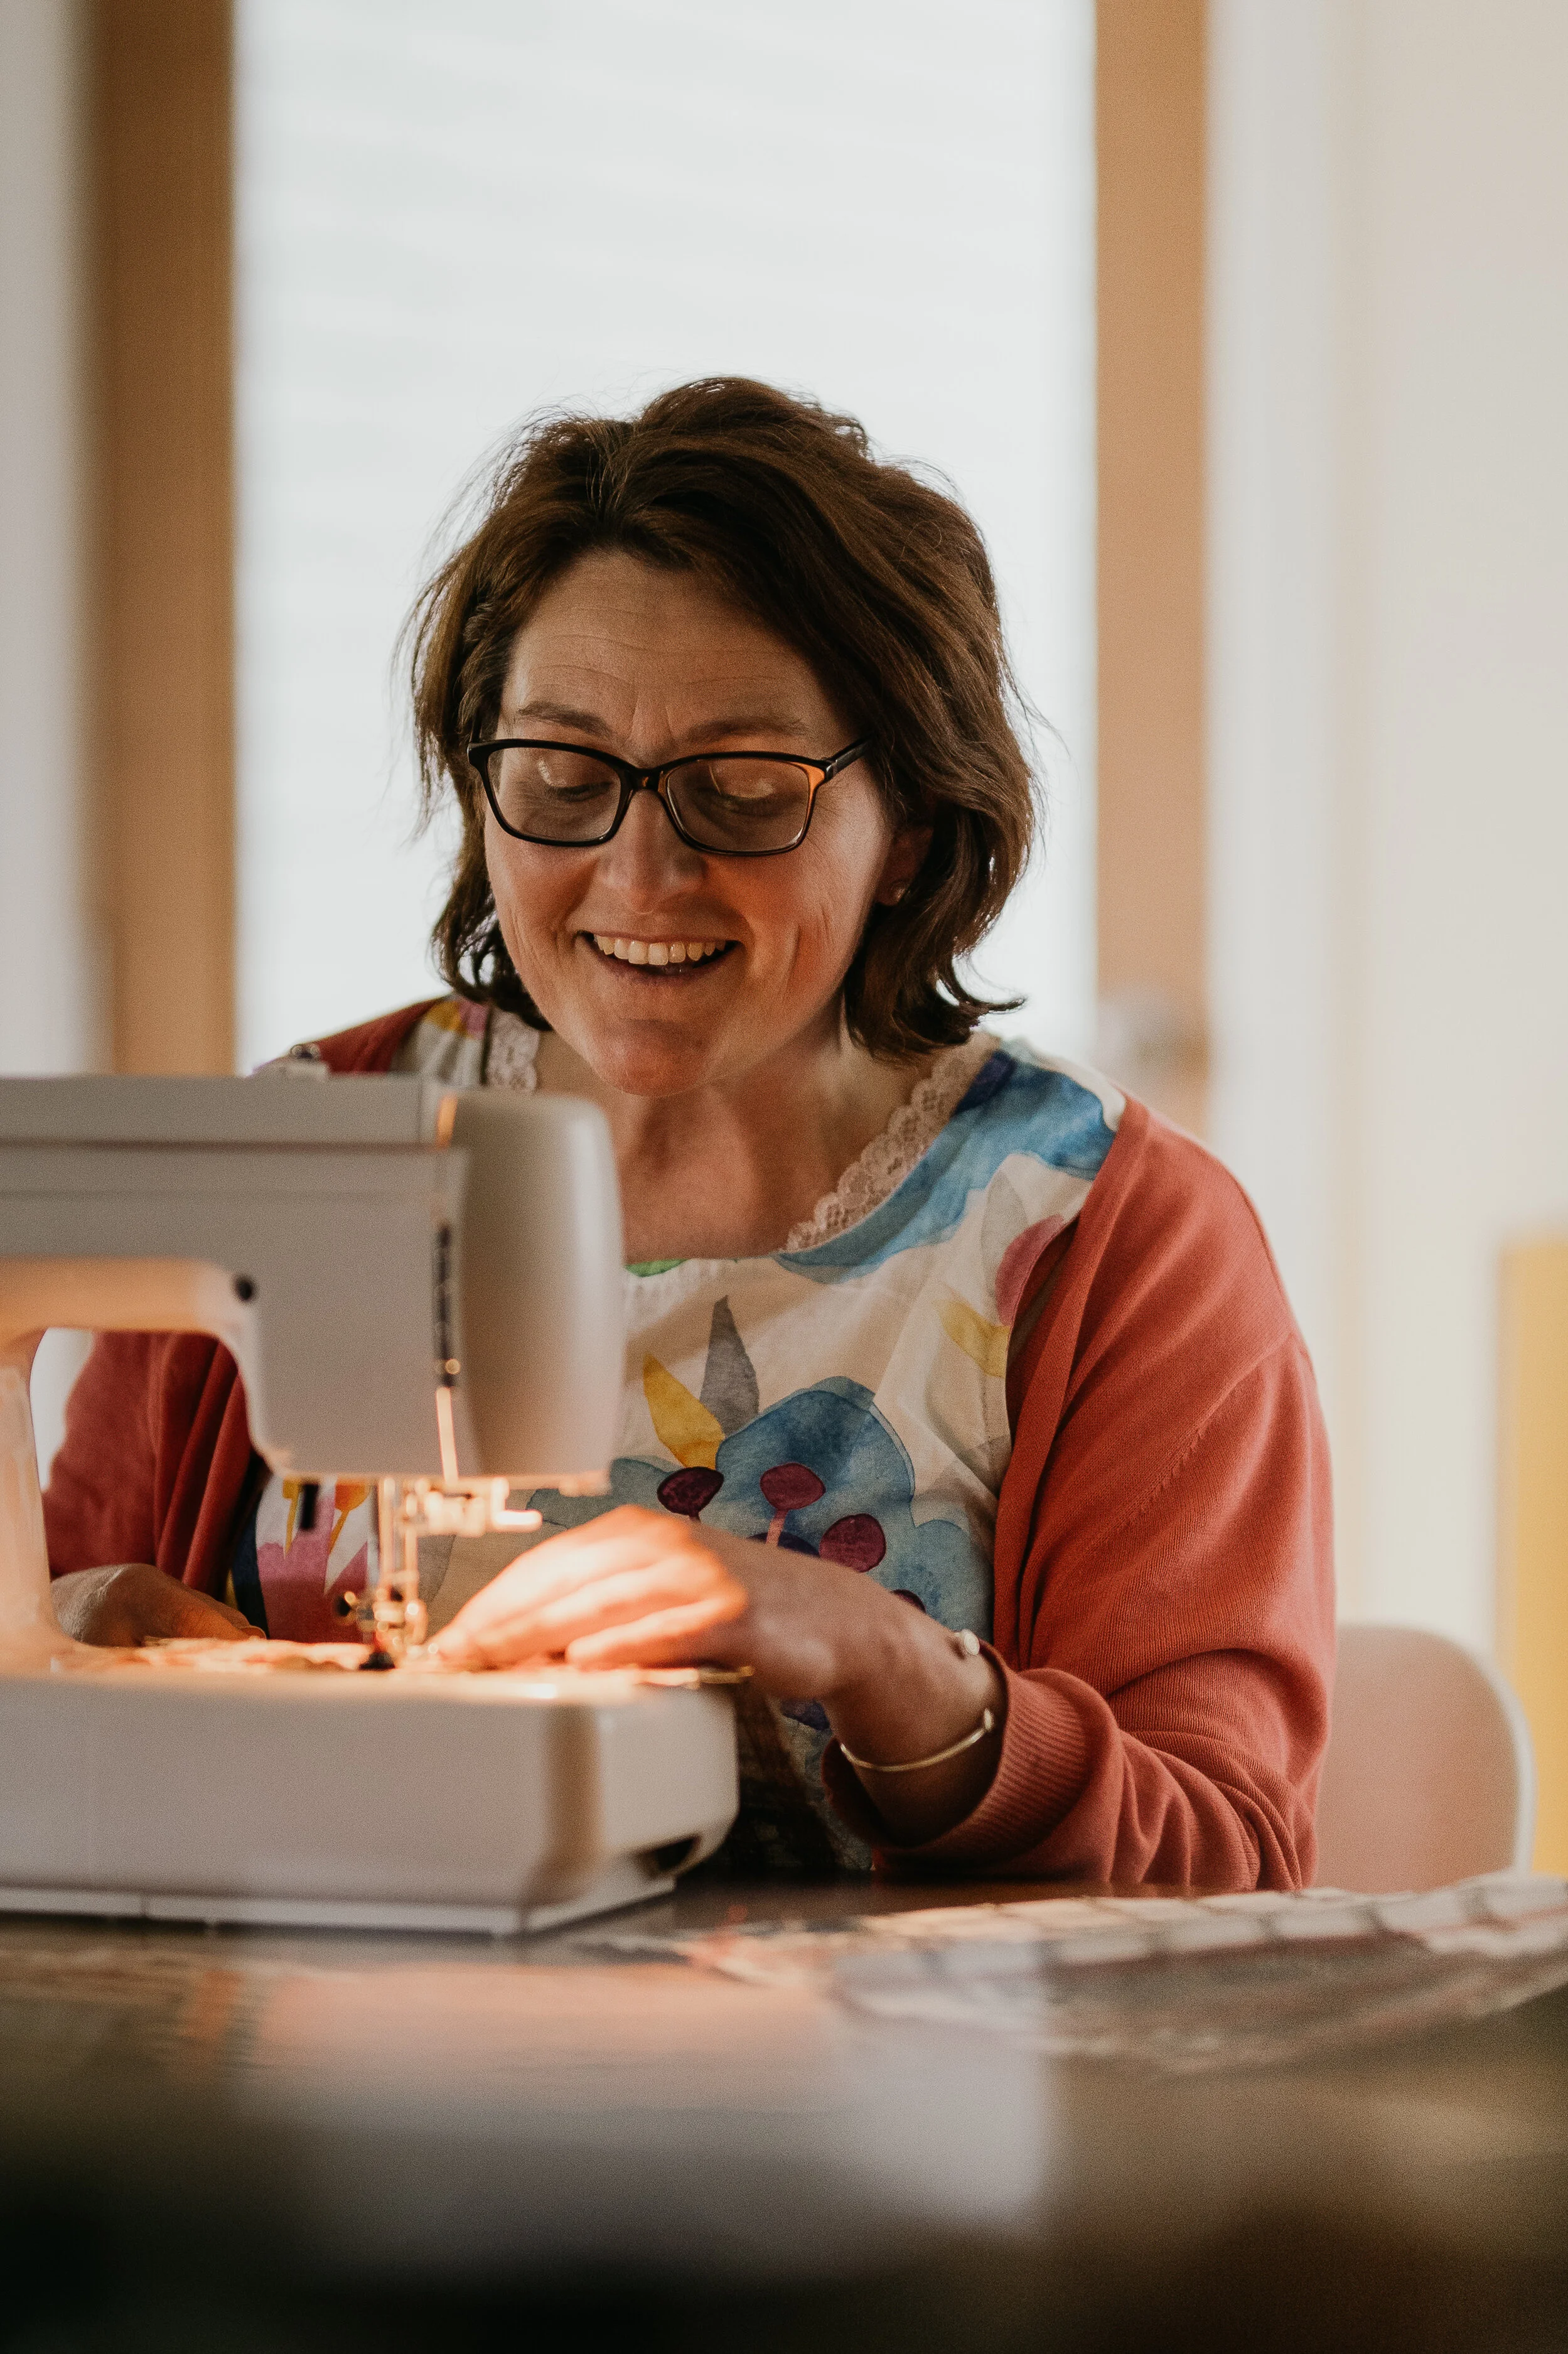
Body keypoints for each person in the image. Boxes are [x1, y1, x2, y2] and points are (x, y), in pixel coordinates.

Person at [44, 379, 1333, 1884]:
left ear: (908, 822)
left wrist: (890, 1669)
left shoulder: (1107, 1234)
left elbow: (1226, 1865)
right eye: (561, 778)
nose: (639, 874)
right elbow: (69, 1644)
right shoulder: (295, 1158)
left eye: (740, 791)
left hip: (887, 2109)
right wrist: (67, 1639)